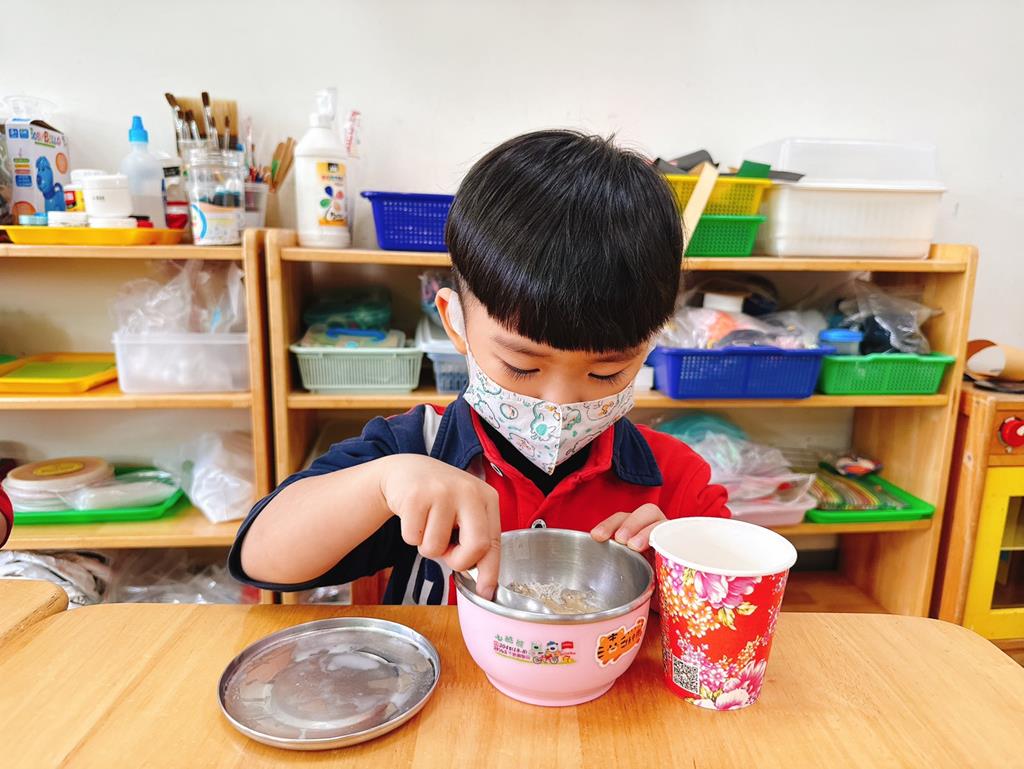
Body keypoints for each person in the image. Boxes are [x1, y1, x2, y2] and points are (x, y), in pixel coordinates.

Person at [229, 130, 728, 603]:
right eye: (521, 366)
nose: (557, 405)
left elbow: (734, 601)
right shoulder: (415, 448)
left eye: (606, 373)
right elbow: (260, 557)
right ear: (456, 323)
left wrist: (679, 570)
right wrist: (382, 486)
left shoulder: (676, 480)